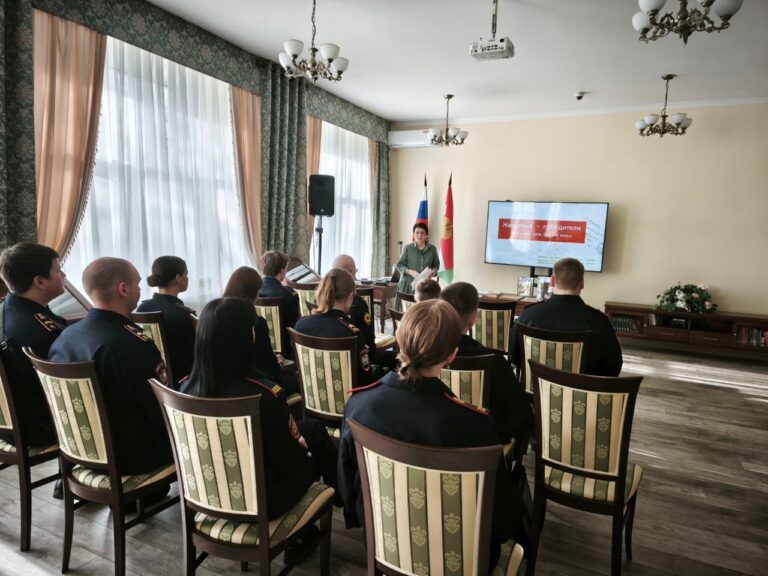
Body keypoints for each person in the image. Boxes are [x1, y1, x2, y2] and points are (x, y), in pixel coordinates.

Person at [338, 300, 523, 565]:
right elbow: (503, 523)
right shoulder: (475, 427)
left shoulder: (358, 405)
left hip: (384, 543)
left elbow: (347, 489)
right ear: (451, 355)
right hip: (463, 560)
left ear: (399, 340)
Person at [179, 297, 338, 520]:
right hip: (264, 500)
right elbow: (290, 462)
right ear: (242, 338)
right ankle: (338, 505)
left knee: (312, 428)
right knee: (313, 446)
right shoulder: (263, 394)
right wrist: (302, 448)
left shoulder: (185, 389)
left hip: (209, 494)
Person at [48, 257, 172, 475]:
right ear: (123, 289)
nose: (140, 289)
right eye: (137, 283)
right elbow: (160, 410)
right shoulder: (131, 344)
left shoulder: (65, 336)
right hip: (132, 457)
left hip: (81, 451)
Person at [441, 282, 531, 446]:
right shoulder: (494, 360)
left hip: (436, 442)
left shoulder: (427, 357)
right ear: (473, 319)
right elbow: (520, 414)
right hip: (484, 448)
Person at [509, 257, 623, 376]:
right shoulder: (600, 322)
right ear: (582, 283)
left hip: (535, 387)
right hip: (581, 388)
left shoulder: (528, 315)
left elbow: (514, 357)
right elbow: (613, 369)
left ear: (552, 281)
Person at [0, 243, 66, 448]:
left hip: (9, 425)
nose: (63, 275)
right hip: (39, 428)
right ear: (39, 282)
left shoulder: (6, 310)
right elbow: (67, 386)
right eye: (58, 270)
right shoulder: (42, 330)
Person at [294, 269, 373, 386]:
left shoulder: (300, 325)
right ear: (350, 298)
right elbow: (365, 380)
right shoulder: (352, 333)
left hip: (311, 394)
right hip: (351, 397)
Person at [136, 256, 196, 383]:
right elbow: (194, 356)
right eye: (186, 274)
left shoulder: (142, 308)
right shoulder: (183, 314)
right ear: (178, 278)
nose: (187, 278)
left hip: (154, 379)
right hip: (182, 382)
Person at [330, 254, 396, 370]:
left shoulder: (303, 323)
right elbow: (370, 348)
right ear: (351, 273)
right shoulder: (358, 304)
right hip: (358, 371)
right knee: (401, 359)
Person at [223, 266, 282, 382]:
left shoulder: (214, 315)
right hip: (251, 382)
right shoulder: (256, 323)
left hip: (221, 380)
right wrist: (276, 361)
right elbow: (270, 366)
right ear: (253, 292)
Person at [258, 251, 300, 358]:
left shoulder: (254, 292)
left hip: (260, 349)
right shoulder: (288, 294)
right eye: (286, 269)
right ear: (281, 270)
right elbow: (294, 326)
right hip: (286, 353)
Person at [395, 223, 440, 295]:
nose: (419, 235)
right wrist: (410, 271)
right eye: (417, 232)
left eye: (422, 233)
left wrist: (433, 272)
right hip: (407, 286)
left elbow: (436, 265)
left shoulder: (432, 249)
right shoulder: (407, 248)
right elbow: (399, 265)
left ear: (426, 235)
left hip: (424, 286)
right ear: (413, 234)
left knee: (422, 302)